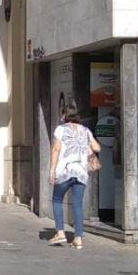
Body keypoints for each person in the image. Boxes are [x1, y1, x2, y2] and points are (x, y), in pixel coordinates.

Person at [47, 101, 101, 250]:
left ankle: (60, 232)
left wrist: (52, 171)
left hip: (64, 170)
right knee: (77, 204)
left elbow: (56, 150)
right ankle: (78, 238)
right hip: (81, 172)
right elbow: (97, 147)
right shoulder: (85, 130)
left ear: (64, 115)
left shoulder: (61, 129)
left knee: (57, 199)